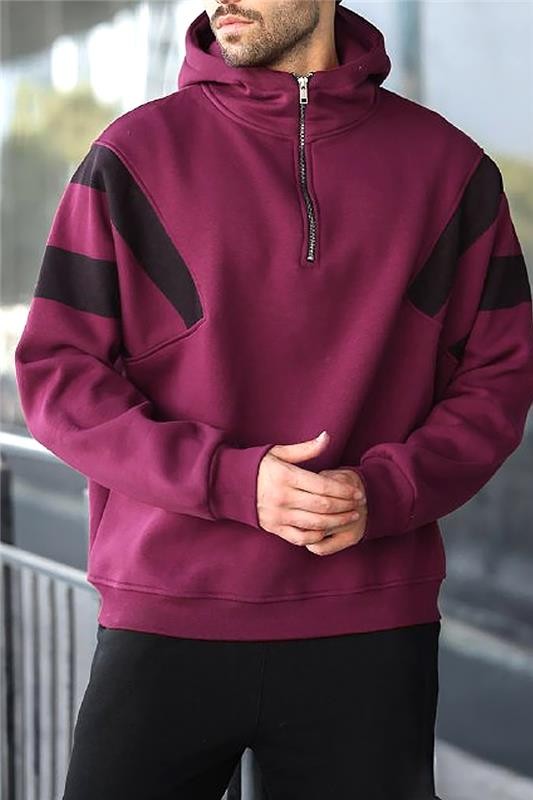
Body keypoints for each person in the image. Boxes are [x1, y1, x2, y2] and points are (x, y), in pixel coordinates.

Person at [14, 1, 533, 798]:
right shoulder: (131, 156)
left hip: (368, 628)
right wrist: (228, 480)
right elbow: (57, 373)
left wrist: (387, 489)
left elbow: (499, 378)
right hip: (169, 613)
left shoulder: (449, 170)